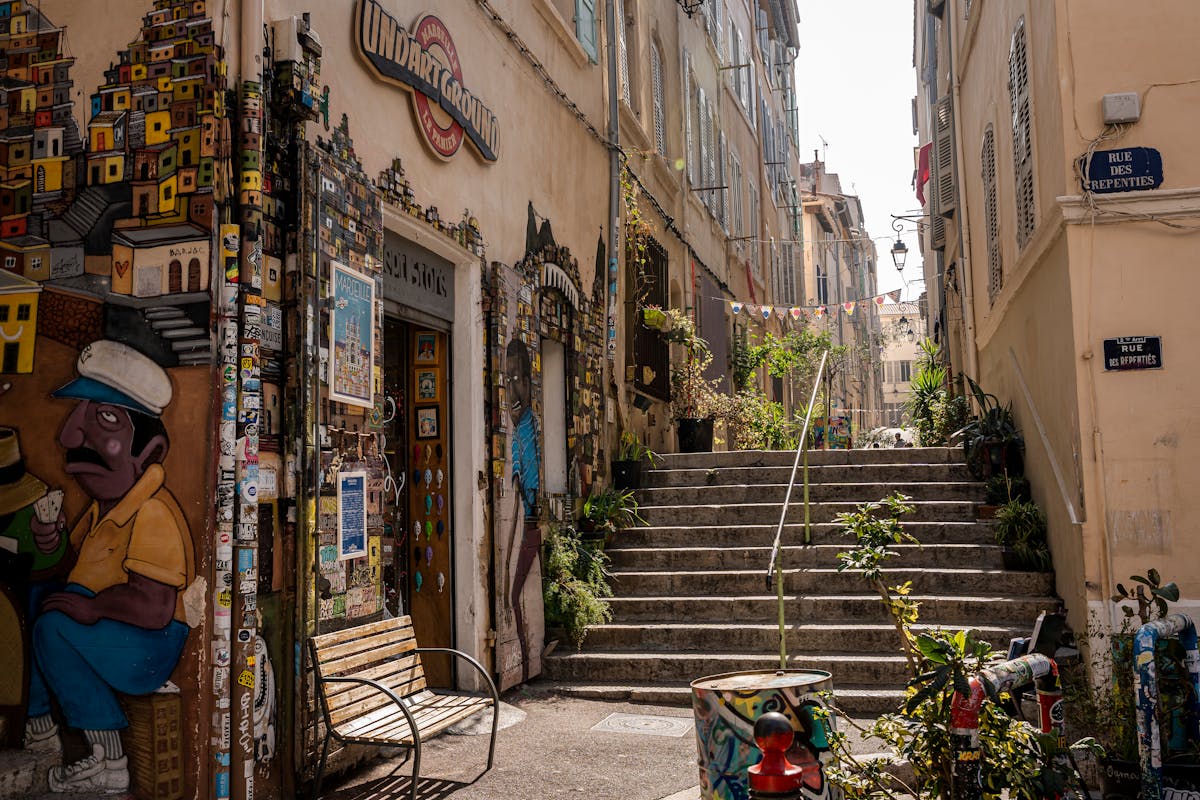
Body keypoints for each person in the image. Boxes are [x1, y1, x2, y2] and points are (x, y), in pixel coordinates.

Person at [23, 340, 194, 795]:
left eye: (104, 419)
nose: (70, 436)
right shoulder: (105, 509)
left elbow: (156, 605)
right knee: (37, 604)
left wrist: (93, 609)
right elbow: (72, 572)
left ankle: (107, 758)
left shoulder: (152, 512)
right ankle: (38, 727)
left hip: (150, 643)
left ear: (150, 450)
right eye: (79, 416)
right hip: (116, 624)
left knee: (53, 627)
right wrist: (54, 540)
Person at [503, 338, 540, 681]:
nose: (512, 388)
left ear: (529, 383)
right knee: (512, 599)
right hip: (524, 527)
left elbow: (526, 484)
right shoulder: (518, 430)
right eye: (507, 380)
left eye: (518, 379)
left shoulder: (527, 430)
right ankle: (526, 662)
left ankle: (527, 663)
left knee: (514, 599)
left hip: (530, 529)